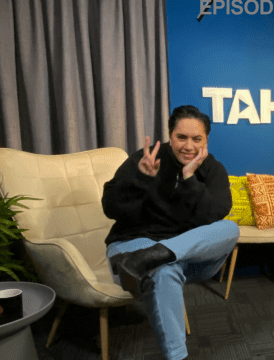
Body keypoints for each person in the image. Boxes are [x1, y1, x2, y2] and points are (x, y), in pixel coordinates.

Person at [102, 105, 239, 360]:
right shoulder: (145, 159)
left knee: (230, 228)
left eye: (196, 139)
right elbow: (110, 208)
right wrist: (141, 179)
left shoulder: (213, 170)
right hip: (132, 247)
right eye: (181, 137)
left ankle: (156, 255)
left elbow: (213, 215)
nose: (188, 146)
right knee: (165, 271)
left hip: (181, 254)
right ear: (169, 136)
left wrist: (190, 180)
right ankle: (178, 357)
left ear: (206, 140)